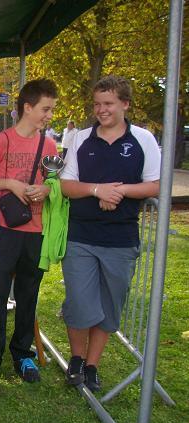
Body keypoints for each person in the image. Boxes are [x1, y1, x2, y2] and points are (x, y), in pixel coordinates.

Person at [60, 75, 160, 392]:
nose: (101, 110)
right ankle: (76, 359)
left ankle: (92, 365)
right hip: (81, 236)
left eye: (108, 104)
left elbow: (156, 185)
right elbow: (66, 185)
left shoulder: (143, 139)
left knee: (108, 305)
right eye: (97, 104)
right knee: (78, 302)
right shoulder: (80, 138)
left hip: (121, 238)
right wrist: (96, 189)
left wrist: (118, 192)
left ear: (125, 104)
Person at [0, 79, 59, 387]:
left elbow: (54, 182)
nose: (49, 115)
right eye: (46, 109)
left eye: (52, 110)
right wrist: (11, 184)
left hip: (37, 229)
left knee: (29, 293)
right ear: (28, 107)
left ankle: (23, 354)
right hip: (7, 229)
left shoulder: (48, 144)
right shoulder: (3, 140)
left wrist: (46, 189)